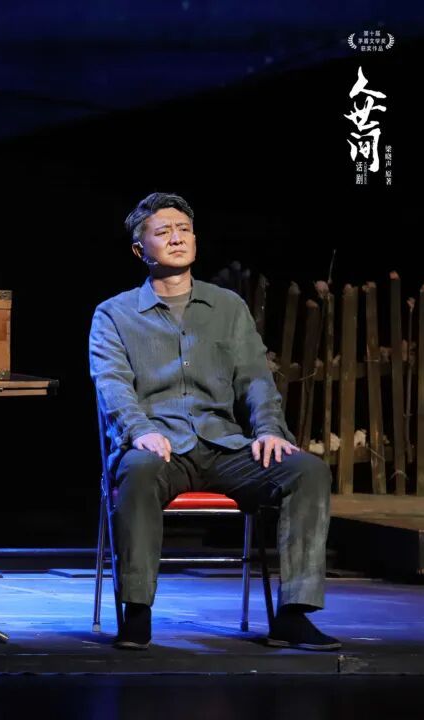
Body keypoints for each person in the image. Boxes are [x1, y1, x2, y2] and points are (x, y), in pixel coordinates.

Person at [88, 191, 340, 651]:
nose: (176, 238)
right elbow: (112, 385)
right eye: (163, 232)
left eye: (184, 229)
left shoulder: (227, 307)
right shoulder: (114, 314)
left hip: (224, 445)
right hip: (159, 447)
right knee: (138, 473)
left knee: (307, 470)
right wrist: (140, 430)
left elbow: (256, 379)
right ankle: (137, 611)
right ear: (140, 250)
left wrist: (268, 429)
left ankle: (293, 615)